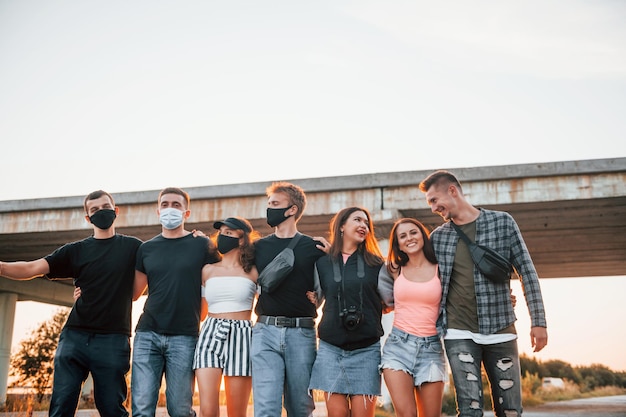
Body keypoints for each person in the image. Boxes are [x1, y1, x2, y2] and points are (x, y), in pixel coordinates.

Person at [0, 190, 142, 417]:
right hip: (74, 338)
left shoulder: (134, 247)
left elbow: (163, 260)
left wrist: (196, 240)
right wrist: (1, 267)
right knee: (61, 407)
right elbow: (32, 268)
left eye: (105, 207)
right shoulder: (75, 251)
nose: (101, 212)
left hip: (113, 340)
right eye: (94, 210)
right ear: (88, 218)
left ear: (116, 211)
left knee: (112, 409)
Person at [419, 170, 548, 417]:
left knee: (510, 410)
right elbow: (420, 275)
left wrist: (539, 322)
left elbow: (527, 272)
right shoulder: (438, 237)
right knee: (470, 411)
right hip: (458, 332)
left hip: (501, 329)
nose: (433, 208)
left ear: (452, 191)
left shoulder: (502, 222)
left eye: (435, 200)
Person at [131, 187, 219, 417]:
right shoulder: (146, 248)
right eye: (165, 204)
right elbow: (132, 293)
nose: (170, 209)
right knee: (141, 409)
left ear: (186, 213)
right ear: (158, 211)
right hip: (147, 334)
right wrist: (87, 290)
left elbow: (225, 272)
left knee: (180, 409)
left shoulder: (202, 245)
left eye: (176, 205)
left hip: (185, 337)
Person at [251, 181, 328, 417]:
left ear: (292, 209)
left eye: (275, 204)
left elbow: (329, 286)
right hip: (265, 332)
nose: (269, 209)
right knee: (266, 408)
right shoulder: (257, 248)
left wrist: (332, 254)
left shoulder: (314, 247)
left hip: (302, 334)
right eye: (269, 204)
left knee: (300, 408)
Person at [307, 206, 386, 417]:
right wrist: (311, 299)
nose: (363, 226)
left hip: (367, 349)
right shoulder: (322, 263)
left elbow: (391, 301)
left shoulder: (376, 263)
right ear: (342, 225)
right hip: (330, 349)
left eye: (366, 223)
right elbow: (316, 300)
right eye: (357, 220)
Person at [379, 218, 448, 417]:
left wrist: (506, 298)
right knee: (407, 414)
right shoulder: (394, 268)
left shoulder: (440, 267)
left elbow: (464, 290)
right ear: (398, 244)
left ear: (423, 235)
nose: (409, 238)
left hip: (431, 349)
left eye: (413, 232)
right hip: (397, 347)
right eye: (403, 236)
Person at [192, 216, 260, 417]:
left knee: (236, 412)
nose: (223, 237)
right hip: (210, 332)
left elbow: (268, 305)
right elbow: (202, 312)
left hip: (241, 334)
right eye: (221, 233)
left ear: (242, 239)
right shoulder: (207, 270)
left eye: (229, 233)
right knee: (208, 410)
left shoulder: (254, 272)